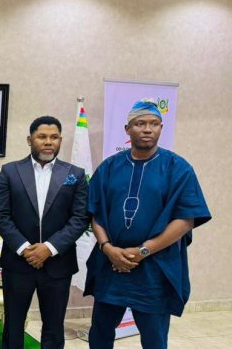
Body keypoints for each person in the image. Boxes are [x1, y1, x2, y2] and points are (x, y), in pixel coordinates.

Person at [84, 100, 211, 349]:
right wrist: (108, 248)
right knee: (100, 332)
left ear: (161, 128)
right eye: (140, 123)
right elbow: (95, 212)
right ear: (127, 129)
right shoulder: (109, 167)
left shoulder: (178, 168)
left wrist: (143, 250)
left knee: (154, 338)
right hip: (112, 265)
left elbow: (186, 219)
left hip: (155, 269)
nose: (147, 129)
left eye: (154, 124)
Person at [0, 116, 89, 349]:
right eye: (42, 137)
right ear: (30, 140)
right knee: (13, 325)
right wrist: (26, 249)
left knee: (54, 328)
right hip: (18, 263)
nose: (48, 142)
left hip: (58, 264)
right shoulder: (10, 171)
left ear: (60, 140)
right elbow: (1, 215)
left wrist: (49, 248)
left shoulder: (75, 174)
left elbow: (80, 218)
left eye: (54, 137)